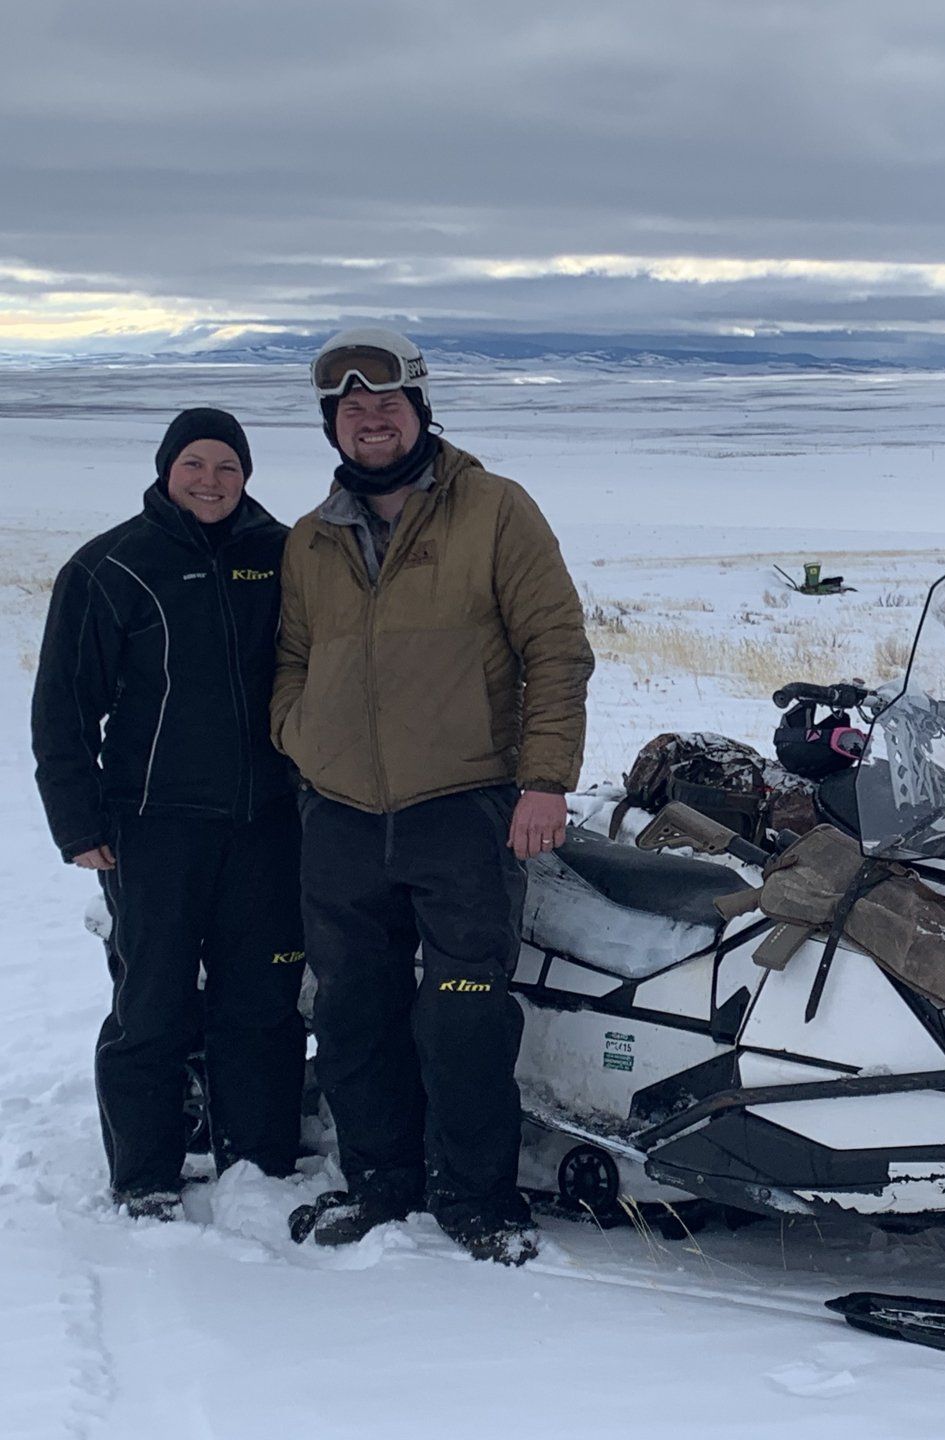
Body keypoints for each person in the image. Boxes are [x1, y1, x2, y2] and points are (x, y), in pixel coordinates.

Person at [273, 328, 593, 1265]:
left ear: (420, 409)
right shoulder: (311, 538)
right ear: (331, 424)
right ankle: (379, 1184)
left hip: (461, 807)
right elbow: (291, 660)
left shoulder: (494, 509)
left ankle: (478, 1198)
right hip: (340, 814)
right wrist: (304, 737)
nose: (370, 420)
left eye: (387, 404)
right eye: (351, 409)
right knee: (352, 1012)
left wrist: (544, 781)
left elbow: (555, 649)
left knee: (464, 1012)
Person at [31, 408, 306, 1220]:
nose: (210, 482)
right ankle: (144, 1175)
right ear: (165, 469)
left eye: (227, 466)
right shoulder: (112, 565)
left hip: (267, 823)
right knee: (151, 1003)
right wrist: (77, 822)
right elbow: (63, 706)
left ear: (247, 475)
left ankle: (258, 1165)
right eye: (194, 464)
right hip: (151, 826)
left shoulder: (285, 555)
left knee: (262, 1002)